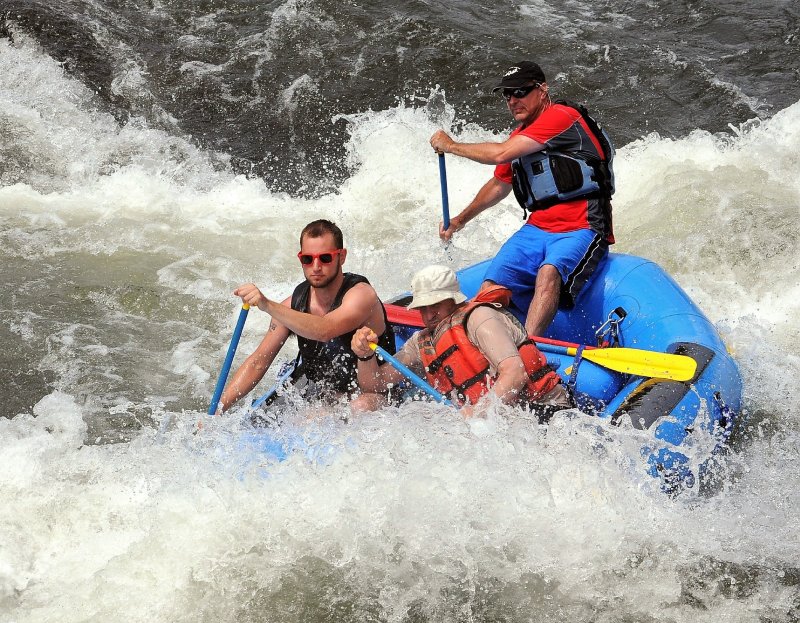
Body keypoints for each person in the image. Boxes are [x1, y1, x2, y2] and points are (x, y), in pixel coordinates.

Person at [430, 61, 615, 337]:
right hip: (537, 228)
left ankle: (529, 349)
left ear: (542, 90)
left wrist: (451, 146)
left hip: (583, 225)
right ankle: (485, 345)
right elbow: (499, 184)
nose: (513, 100)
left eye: (520, 92)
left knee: (549, 272)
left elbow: (500, 154)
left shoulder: (562, 117)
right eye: (507, 95)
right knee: (492, 285)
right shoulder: (520, 136)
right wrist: (459, 220)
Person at [217, 219, 395, 413]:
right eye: (307, 259)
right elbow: (258, 362)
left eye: (325, 258)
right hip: (324, 396)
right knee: (305, 418)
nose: (316, 266)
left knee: (359, 407)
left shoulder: (361, 295)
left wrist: (266, 305)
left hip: (373, 393)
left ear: (341, 257)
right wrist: (218, 410)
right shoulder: (292, 306)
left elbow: (324, 330)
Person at [350, 265, 571, 417]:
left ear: (453, 300)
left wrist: (479, 413)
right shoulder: (421, 342)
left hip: (543, 409)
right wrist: (365, 355)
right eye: (422, 308)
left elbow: (514, 373)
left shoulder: (479, 318)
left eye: (435, 305)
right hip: (494, 421)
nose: (428, 315)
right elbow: (375, 384)